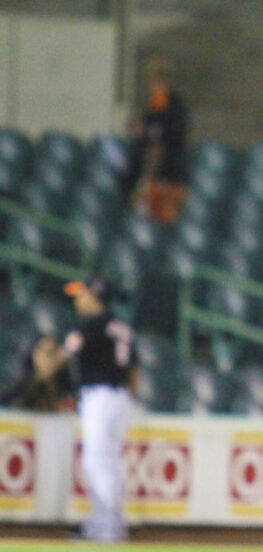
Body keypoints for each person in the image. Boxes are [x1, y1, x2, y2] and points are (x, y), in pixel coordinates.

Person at [62, 275, 138, 542]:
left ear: (94, 297)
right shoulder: (122, 327)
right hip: (120, 398)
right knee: (109, 463)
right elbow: (133, 370)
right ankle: (109, 525)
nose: (78, 299)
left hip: (99, 397)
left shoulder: (91, 328)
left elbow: (66, 356)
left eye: (82, 295)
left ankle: (106, 529)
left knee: (97, 462)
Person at [123, 56, 189, 224]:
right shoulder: (177, 104)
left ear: (155, 80)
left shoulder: (162, 104)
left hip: (161, 183)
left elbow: (157, 146)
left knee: (149, 226)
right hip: (174, 179)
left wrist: (145, 183)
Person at [0, 335, 76, 412]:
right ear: (35, 355)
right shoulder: (19, 392)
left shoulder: (71, 394)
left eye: (54, 352)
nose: (49, 357)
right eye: (46, 351)